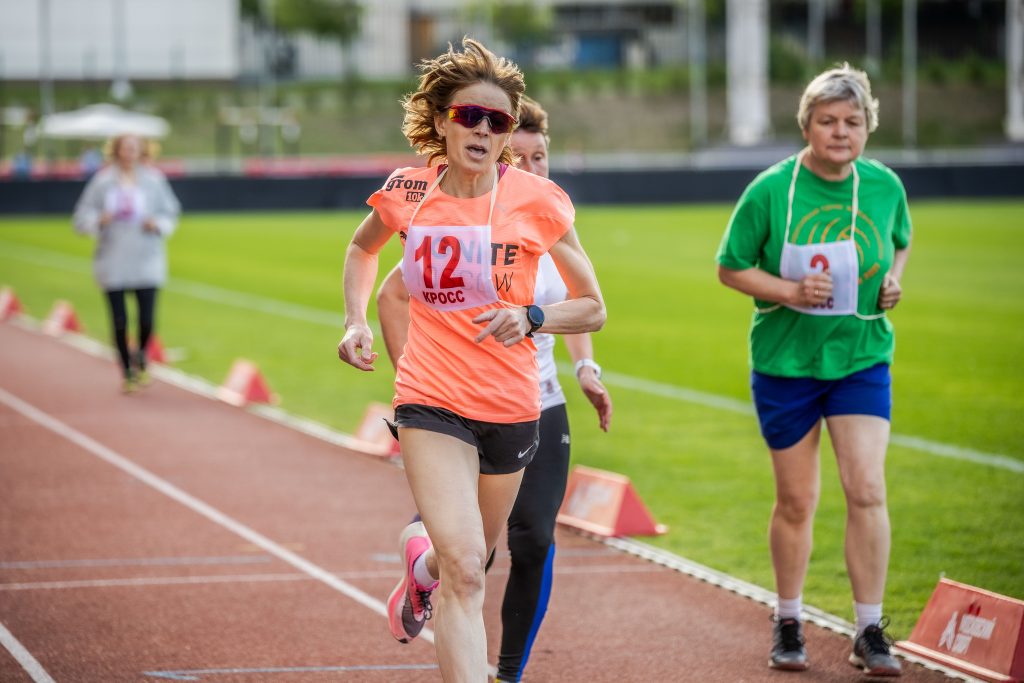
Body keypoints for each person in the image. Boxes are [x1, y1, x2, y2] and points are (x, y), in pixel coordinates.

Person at [337, 39, 605, 681]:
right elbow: (360, 249)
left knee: (471, 560)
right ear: (441, 122)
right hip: (430, 399)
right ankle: (441, 582)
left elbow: (592, 306)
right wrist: (353, 319)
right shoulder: (410, 190)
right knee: (467, 572)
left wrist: (534, 316)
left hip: (513, 407)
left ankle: (419, 571)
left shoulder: (539, 202)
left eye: (498, 121)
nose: (484, 130)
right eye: (470, 117)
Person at [716, 63, 911, 678]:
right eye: (827, 121)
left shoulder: (883, 187)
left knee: (868, 488)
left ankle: (869, 628)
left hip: (859, 358)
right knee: (797, 500)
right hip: (786, 362)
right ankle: (790, 617)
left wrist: (894, 282)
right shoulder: (771, 189)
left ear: (867, 128)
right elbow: (730, 266)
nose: (840, 131)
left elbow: (898, 241)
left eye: (853, 121)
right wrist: (789, 290)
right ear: (807, 125)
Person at [72, 134, 181, 393]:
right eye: (125, 148)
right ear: (116, 151)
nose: (130, 153)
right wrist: (100, 220)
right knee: (119, 320)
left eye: (135, 148)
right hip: (113, 257)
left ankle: (141, 354)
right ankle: (127, 371)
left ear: (142, 150)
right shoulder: (102, 182)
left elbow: (171, 212)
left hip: (146, 256)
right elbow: (81, 217)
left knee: (146, 319)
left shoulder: (154, 180)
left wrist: (158, 224)